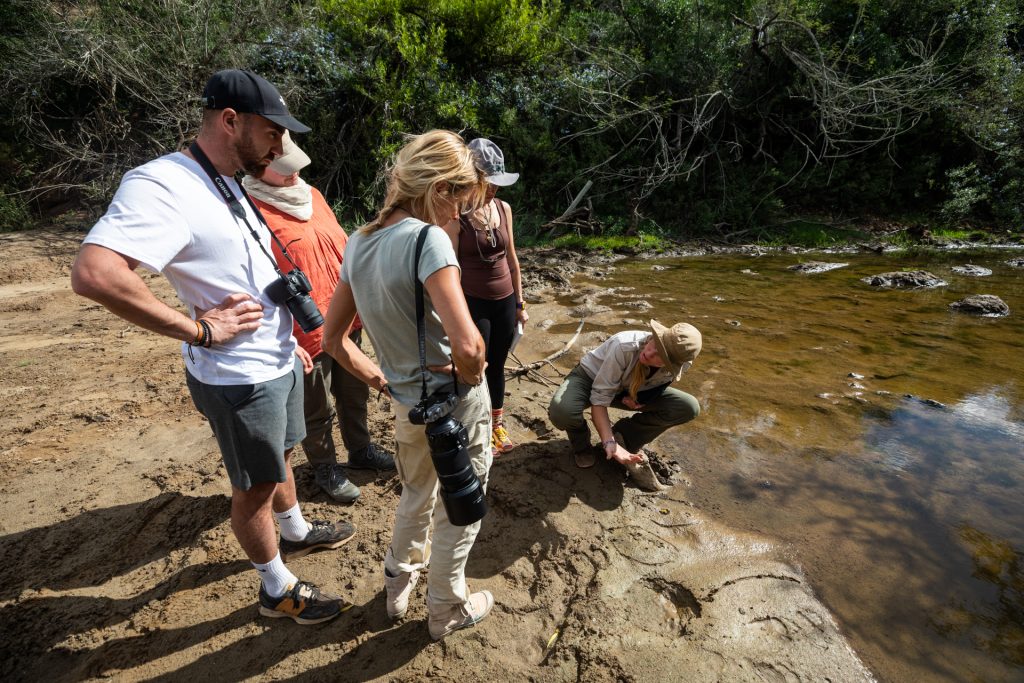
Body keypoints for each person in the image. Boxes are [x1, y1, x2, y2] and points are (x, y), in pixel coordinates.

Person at [71, 69, 354, 625]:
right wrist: (199, 330)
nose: (280, 148)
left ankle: (294, 526)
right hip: (238, 377)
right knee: (254, 488)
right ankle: (276, 588)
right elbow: (95, 273)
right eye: (273, 134)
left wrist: (283, 337)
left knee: (284, 453)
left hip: (276, 358)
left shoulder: (227, 176)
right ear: (231, 121)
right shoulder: (163, 184)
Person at [321, 129, 494, 640]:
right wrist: (474, 373)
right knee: (461, 503)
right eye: (459, 199)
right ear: (439, 188)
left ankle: (398, 581)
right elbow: (468, 347)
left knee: (416, 490)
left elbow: (333, 340)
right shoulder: (427, 239)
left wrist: (381, 377)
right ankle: (446, 609)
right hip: (453, 405)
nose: (459, 213)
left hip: (406, 405)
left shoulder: (358, 241)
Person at [242, 131, 395, 505]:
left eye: (295, 166)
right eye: (283, 169)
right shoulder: (249, 212)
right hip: (302, 333)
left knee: (354, 392)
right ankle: (325, 465)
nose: (293, 174)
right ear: (260, 167)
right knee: (317, 408)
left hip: (345, 318)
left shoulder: (312, 196)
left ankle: (361, 450)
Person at [441, 138, 527, 456]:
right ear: (473, 179)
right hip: (472, 301)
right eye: (489, 183)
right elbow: (449, 266)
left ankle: (496, 423)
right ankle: (472, 422)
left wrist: (520, 304)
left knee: (498, 365)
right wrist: (454, 313)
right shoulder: (455, 215)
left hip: (504, 299)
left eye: (497, 184)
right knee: (476, 365)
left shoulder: (503, 209)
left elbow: (513, 260)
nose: (494, 190)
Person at [547, 321, 702, 489]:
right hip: (590, 378)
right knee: (562, 411)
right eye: (655, 345)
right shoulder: (624, 345)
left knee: (687, 407)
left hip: (627, 389)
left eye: (661, 358)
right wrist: (609, 442)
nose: (650, 354)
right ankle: (581, 445)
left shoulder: (682, 361)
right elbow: (600, 400)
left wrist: (642, 398)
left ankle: (625, 437)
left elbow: (662, 382)